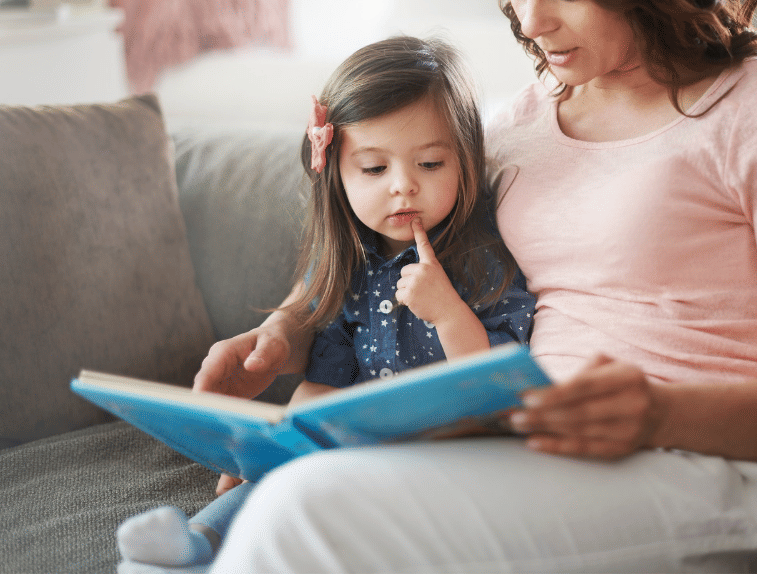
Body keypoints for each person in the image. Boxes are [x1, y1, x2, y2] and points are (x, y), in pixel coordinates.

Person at [195, 0, 757, 572]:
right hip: (527, 450)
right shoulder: (516, 125)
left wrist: (657, 413)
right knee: (295, 489)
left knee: (307, 513)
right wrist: (287, 329)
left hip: (720, 481)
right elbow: (382, 246)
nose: (532, 20)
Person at [115, 35, 535, 571]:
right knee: (263, 487)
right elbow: (323, 380)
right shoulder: (348, 262)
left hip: (446, 458)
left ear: (465, 163)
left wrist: (448, 312)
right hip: (351, 451)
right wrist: (274, 448)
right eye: (375, 169)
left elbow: (499, 389)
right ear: (336, 173)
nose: (403, 187)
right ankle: (194, 541)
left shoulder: (484, 259)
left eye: (430, 164)